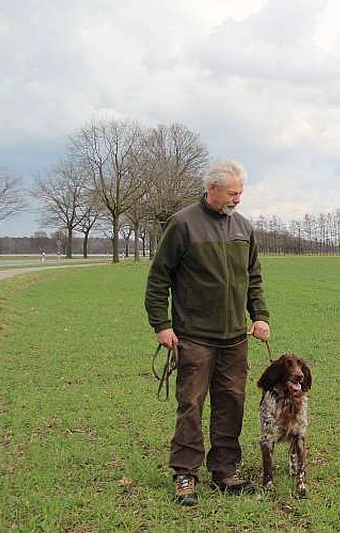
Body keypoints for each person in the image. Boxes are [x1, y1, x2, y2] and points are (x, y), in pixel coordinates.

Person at [144, 160, 270, 506]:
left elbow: (253, 278)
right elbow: (158, 278)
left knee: (231, 403)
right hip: (194, 336)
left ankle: (224, 470)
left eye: (241, 193)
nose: (238, 200)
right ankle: (185, 473)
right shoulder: (183, 224)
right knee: (191, 404)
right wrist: (161, 324)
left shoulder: (244, 228)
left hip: (235, 338)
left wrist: (259, 316)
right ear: (212, 189)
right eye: (232, 193)